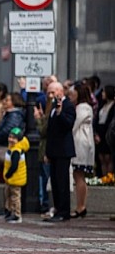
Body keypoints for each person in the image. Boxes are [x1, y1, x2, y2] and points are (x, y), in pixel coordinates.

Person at [44, 81, 76, 222]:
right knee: (55, 182)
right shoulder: (51, 106)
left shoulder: (68, 105)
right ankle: (57, 209)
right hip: (54, 150)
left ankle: (64, 211)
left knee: (62, 182)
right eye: (48, 92)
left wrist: (59, 112)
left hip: (63, 150)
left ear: (60, 91)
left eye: (52, 92)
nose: (50, 95)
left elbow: (68, 124)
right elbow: (50, 131)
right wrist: (47, 152)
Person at [70, 82, 95, 218]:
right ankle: (80, 205)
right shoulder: (83, 107)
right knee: (78, 175)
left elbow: (74, 124)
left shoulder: (82, 108)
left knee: (79, 175)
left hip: (80, 142)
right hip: (81, 141)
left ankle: (81, 206)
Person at [3, 127, 29, 223]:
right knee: (9, 196)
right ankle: (10, 211)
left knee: (15, 197)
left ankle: (17, 214)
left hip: (15, 178)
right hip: (11, 178)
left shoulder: (16, 151)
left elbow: (14, 166)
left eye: (14, 138)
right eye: (10, 137)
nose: (11, 140)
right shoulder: (12, 149)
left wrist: (8, 174)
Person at [94, 85, 114, 176]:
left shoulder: (113, 106)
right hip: (100, 131)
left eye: (104, 92)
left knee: (108, 157)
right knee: (101, 157)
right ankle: (103, 176)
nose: (102, 94)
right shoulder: (102, 105)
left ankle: (109, 177)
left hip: (108, 133)